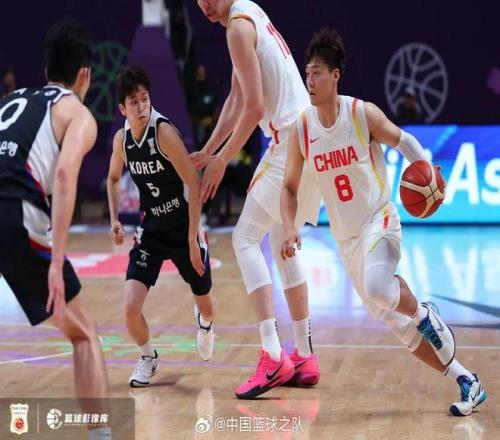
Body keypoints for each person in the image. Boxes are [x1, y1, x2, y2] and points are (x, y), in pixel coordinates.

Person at [281, 28, 487, 417]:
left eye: (317, 73)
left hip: (380, 219)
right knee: (403, 331)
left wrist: (428, 172)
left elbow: (403, 140)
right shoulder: (303, 128)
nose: (310, 80)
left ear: (335, 75)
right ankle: (467, 380)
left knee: (381, 288)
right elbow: (289, 187)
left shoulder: (362, 114)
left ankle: (424, 311)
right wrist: (289, 226)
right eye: (307, 73)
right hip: (347, 241)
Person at [195, 0, 322, 399]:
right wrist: (209, 150)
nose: (204, 4)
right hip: (308, 136)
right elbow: (237, 99)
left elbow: (254, 108)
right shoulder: (248, 11)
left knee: (245, 238)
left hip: (290, 143)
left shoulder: (237, 28)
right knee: (283, 245)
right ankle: (304, 354)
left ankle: (272, 354)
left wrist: (222, 160)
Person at [0, 22, 111, 438]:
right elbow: (65, 174)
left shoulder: (11, 99)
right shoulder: (76, 113)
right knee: (84, 335)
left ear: (46, 70)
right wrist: (56, 260)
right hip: (16, 213)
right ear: (85, 74)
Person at [106, 65, 216, 387]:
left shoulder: (163, 133)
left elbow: (193, 184)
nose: (141, 106)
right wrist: (114, 219)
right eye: (134, 102)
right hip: (151, 229)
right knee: (130, 308)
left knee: (208, 307)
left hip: (183, 228)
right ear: (122, 109)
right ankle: (148, 357)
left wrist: (193, 239)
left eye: (145, 99)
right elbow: (113, 178)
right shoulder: (122, 140)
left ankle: (204, 323)